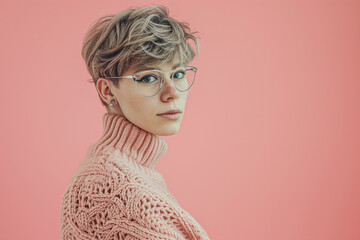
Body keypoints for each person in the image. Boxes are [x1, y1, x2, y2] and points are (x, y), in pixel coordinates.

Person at [60, 5, 210, 240]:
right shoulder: (108, 185)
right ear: (108, 91)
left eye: (178, 74)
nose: (172, 92)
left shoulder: (135, 174)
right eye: (149, 77)